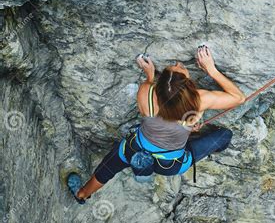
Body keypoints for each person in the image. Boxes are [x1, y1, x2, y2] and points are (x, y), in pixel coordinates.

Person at [68, 45, 245, 203]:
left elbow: (149, 85)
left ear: (158, 87)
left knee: (110, 165)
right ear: (189, 87)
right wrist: (211, 70)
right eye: (178, 68)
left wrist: (150, 75)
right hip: (171, 163)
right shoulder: (199, 101)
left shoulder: (147, 94)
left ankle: (82, 194)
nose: (178, 63)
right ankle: (190, 144)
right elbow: (239, 98)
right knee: (224, 136)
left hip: (134, 149)